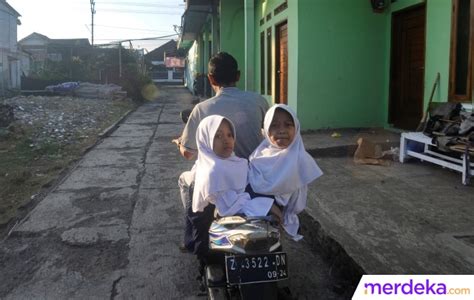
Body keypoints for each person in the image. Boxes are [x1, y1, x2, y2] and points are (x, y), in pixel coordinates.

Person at [175, 52, 269, 251]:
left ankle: (191, 236)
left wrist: (180, 144)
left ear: (211, 79)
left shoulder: (201, 109)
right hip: (254, 175)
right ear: (238, 76)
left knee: (186, 181)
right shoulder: (259, 101)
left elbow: (190, 154)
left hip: (218, 176)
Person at [190, 115, 274, 260]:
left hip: (236, 227)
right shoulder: (212, 170)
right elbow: (227, 206)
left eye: (230, 135)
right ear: (206, 140)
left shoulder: (238, 163)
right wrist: (267, 206)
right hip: (220, 230)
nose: (226, 140)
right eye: (218, 136)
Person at [248, 104, 323, 241]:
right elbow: (247, 190)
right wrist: (268, 206)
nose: (281, 130)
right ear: (265, 130)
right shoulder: (258, 157)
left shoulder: (300, 160)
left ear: (297, 128)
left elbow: (296, 196)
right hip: (251, 217)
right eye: (274, 125)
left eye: (288, 125)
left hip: (277, 220)